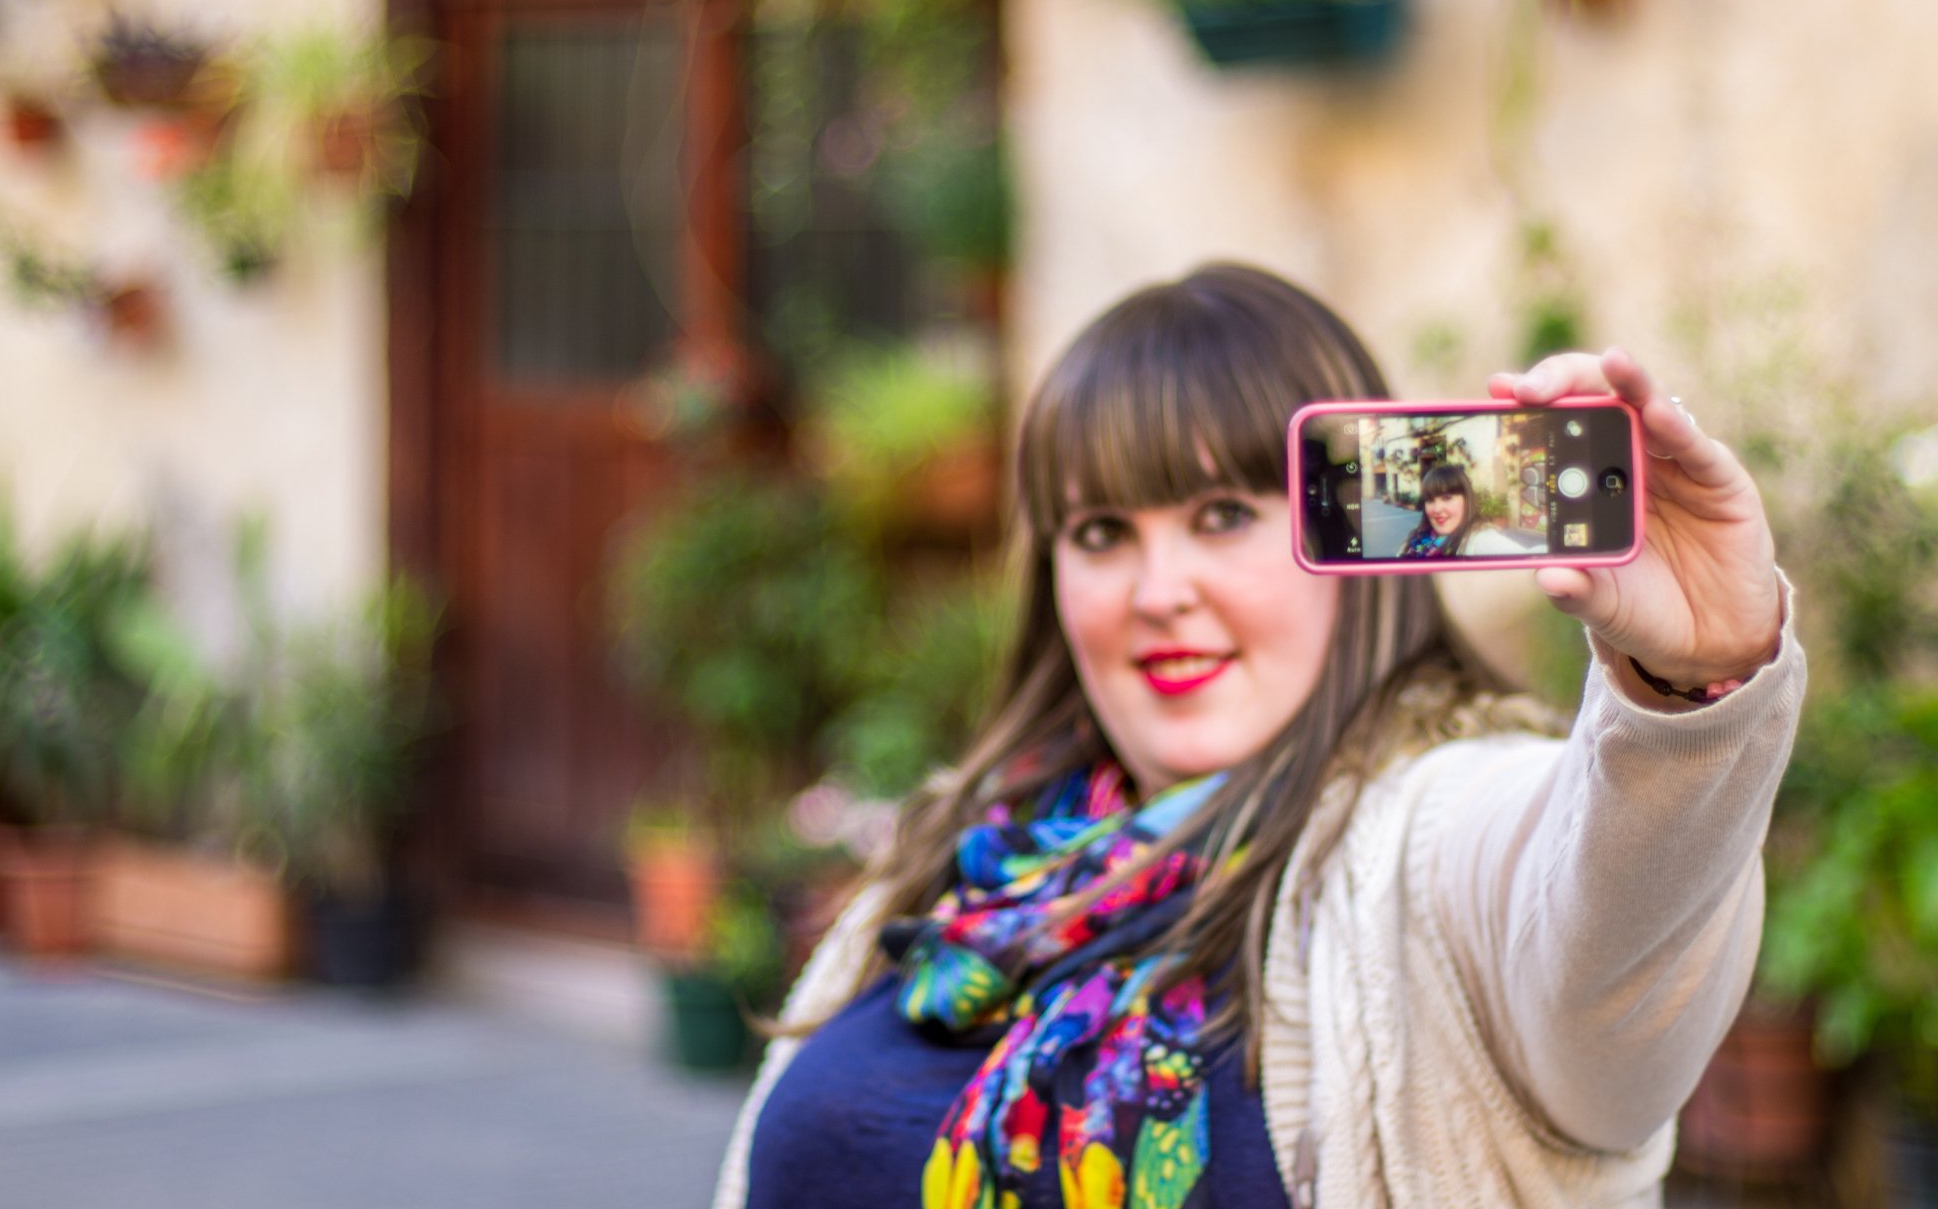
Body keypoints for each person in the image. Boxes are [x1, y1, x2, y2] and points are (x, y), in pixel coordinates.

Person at [712, 263, 1801, 1209]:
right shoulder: (970, 858)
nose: (1158, 590)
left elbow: (1610, 945)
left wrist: (1688, 692)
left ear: (1371, 527)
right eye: (1100, 532)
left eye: (1224, 515)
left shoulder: (1437, 834)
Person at [1396, 461, 1532, 558]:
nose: (1436, 509)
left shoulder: (1478, 540)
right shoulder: (1416, 538)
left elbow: (1527, 557)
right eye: (1430, 500)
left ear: (1466, 500)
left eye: (1447, 498)